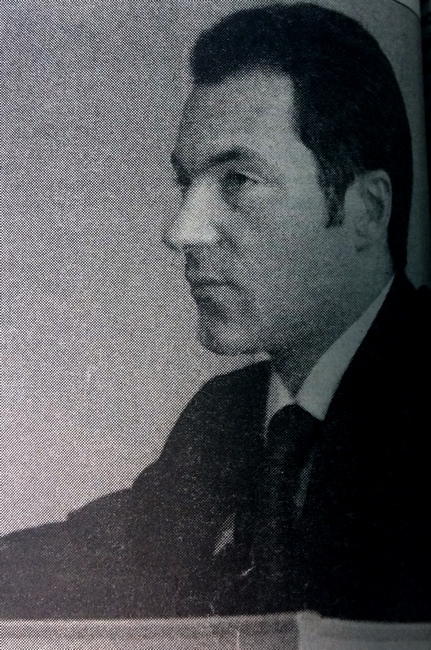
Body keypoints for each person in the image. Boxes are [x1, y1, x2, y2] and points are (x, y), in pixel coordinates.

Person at [1, 2, 430, 622]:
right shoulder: (225, 416)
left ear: (367, 209)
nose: (181, 231)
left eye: (237, 181)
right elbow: (91, 560)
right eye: (187, 184)